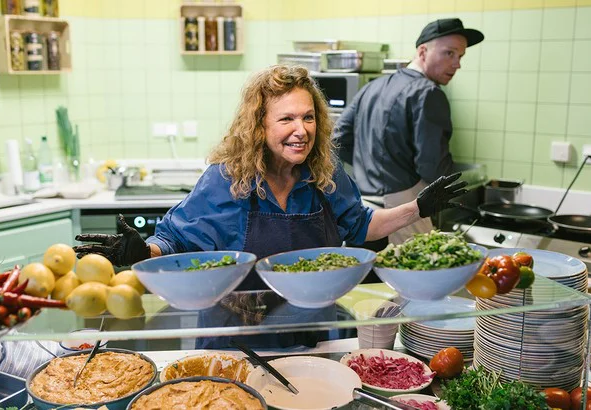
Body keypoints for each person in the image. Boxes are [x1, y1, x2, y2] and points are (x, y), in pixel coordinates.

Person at [74, 65, 466, 346]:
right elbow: (175, 240)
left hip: (312, 331)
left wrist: (418, 207)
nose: (302, 130)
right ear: (259, 126)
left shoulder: (325, 172)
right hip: (237, 339)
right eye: (287, 119)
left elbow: (363, 225)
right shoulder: (226, 178)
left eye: (309, 117)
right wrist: (142, 252)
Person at [334, 18, 484, 245]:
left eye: (460, 56)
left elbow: (337, 139)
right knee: (416, 266)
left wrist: (368, 167)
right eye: (449, 53)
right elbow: (434, 169)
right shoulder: (428, 93)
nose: (457, 64)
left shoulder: (372, 86)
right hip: (403, 210)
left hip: (363, 213)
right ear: (423, 52)